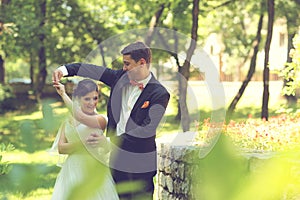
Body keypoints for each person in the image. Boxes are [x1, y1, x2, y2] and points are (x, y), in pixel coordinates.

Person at [52, 41, 170, 199]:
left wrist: (108, 142)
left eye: (127, 64)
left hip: (140, 164)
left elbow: (146, 130)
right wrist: (64, 70)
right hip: (115, 162)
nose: (124, 68)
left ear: (142, 63)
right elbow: (91, 70)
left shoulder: (159, 93)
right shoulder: (119, 78)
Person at [50, 79, 119, 200]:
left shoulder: (100, 120)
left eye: (95, 98)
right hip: (71, 170)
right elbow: (61, 148)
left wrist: (63, 94)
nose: (92, 103)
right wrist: (82, 144)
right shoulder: (67, 120)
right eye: (87, 99)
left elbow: (80, 117)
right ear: (78, 98)